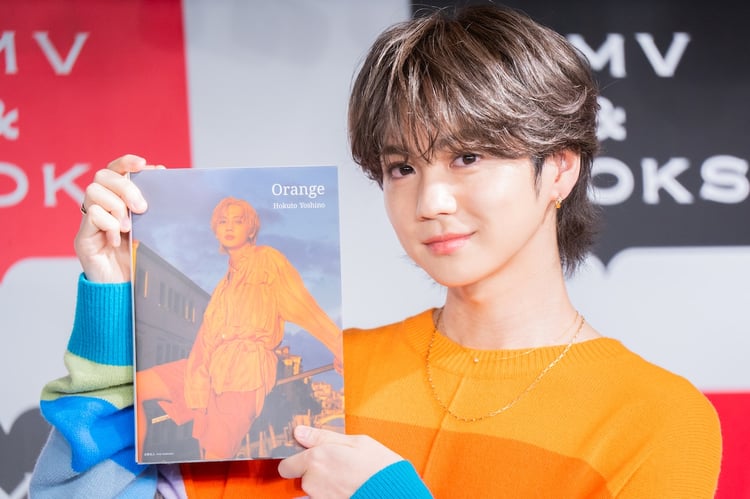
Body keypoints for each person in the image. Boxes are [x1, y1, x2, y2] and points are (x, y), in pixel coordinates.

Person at [31, 4, 722, 498]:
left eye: (469, 156)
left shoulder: (656, 418)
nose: (430, 199)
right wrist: (112, 296)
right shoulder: (319, 383)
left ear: (561, 169)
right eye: (401, 167)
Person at [135, 196, 343, 461]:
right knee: (139, 386)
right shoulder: (223, 285)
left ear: (251, 229)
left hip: (246, 372)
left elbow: (303, 305)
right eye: (223, 222)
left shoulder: (267, 260)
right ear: (216, 230)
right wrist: (197, 381)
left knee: (214, 457)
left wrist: (340, 345)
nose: (230, 227)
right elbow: (205, 340)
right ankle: (136, 466)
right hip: (208, 368)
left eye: (238, 221)